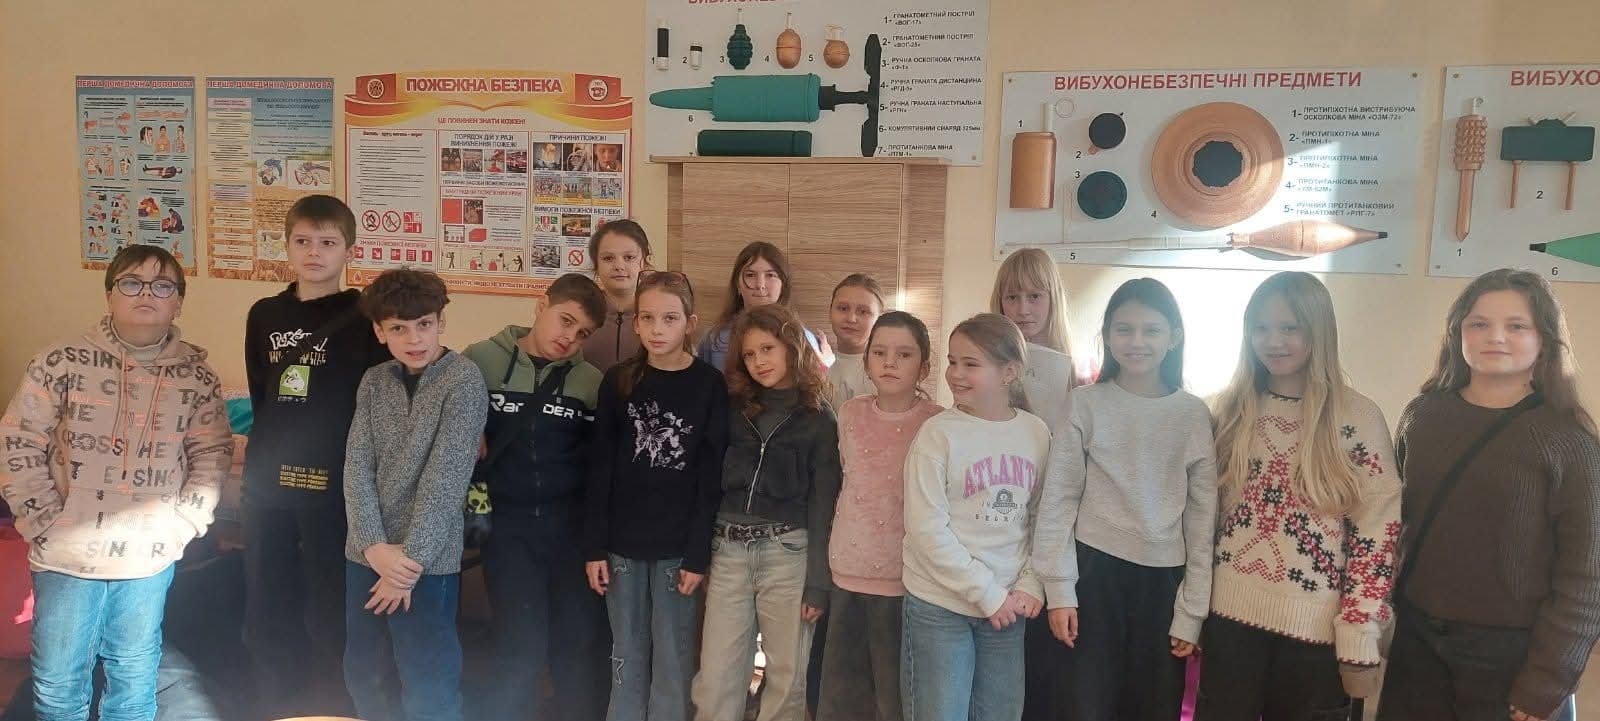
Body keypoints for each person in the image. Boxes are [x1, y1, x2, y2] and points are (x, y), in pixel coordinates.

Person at [0, 245, 233, 721]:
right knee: (59, 683)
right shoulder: (60, 361)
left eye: (162, 286)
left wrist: (183, 524)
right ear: (110, 295)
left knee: (134, 678)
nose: (146, 294)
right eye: (131, 283)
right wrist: (43, 520)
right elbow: (18, 440)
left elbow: (211, 454)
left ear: (178, 303)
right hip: (65, 554)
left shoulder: (196, 376)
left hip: (147, 556)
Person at [1377, 269, 1600, 721]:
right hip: (1417, 643)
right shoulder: (1422, 416)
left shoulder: (1568, 439)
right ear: (1457, 332)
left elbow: (1586, 573)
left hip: (1512, 655)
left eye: (1516, 325)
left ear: (1544, 338)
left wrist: (1548, 679)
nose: (1495, 336)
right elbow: (1394, 521)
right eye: (1478, 323)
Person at [1196, 272, 1399, 720]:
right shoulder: (1224, 411)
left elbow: (1377, 531)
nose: (1274, 341)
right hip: (1228, 622)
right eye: (1261, 328)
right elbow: (1201, 519)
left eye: (1290, 328)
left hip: (1318, 635)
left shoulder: (1358, 419)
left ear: (1319, 331)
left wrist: (1359, 626)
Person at [1031, 278, 1217, 721]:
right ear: (1108, 336)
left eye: (1151, 330)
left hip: (1163, 584)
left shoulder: (1193, 414)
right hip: (1092, 576)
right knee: (1083, 705)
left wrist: (1192, 612)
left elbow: (1201, 520)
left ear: (1174, 337)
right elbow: (1058, 500)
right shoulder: (1084, 404)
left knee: (1153, 706)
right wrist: (1059, 591)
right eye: (1124, 329)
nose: (1136, 341)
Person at [240, 195, 387, 720]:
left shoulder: (367, 316)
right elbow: (262, 394)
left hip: (335, 486)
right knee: (268, 603)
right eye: (302, 241)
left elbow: (384, 398)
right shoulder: (265, 315)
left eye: (327, 242)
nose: (314, 252)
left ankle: (333, 707)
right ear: (286, 246)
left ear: (349, 249)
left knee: (332, 607)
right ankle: (276, 706)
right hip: (267, 485)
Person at [463, 272, 611, 721]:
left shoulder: (589, 381)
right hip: (507, 530)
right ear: (540, 304)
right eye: (565, 321)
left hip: (570, 532)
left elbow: (599, 464)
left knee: (575, 647)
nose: (569, 338)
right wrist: (469, 428)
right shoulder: (480, 360)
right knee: (520, 647)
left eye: (582, 333)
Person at [342, 268, 487, 721]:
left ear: (441, 321)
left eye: (424, 324)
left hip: (426, 562)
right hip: (366, 555)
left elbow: (447, 480)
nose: (414, 338)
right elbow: (357, 465)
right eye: (399, 328)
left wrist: (405, 567)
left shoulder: (463, 380)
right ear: (379, 331)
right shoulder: (374, 381)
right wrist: (372, 546)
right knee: (364, 673)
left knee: (427, 682)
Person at [585, 271, 729, 721]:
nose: (657, 329)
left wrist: (697, 554)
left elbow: (710, 476)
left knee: (673, 655)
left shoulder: (709, 385)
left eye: (669, 318)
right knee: (626, 653)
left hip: (677, 551)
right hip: (620, 547)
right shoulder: (618, 380)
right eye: (646, 318)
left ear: (690, 323)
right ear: (635, 322)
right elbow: (600, 468)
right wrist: (594, 547)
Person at [691, 304, 841, 721]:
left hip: (788, 553)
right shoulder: (733, 407)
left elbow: (824, 503)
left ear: (791, 345)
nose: (758, 361)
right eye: (749, 354)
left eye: (767, 349)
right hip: (728, 550)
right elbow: (707, 482)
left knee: (786, 678)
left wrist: (818, 584)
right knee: (717, 676)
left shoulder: (819, 418)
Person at [899, 313, 1048, 721]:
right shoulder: (937, 433)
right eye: (952, 361)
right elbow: (926, 529)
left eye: (970, 364)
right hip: (941, 606)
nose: (955, 374)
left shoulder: (1036, 433)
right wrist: (986, 593)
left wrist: (1031, 582)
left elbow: (1041, 517)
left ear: (1009, 372)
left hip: (1009, 606)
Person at [816, 311, 941, 721]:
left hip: (905, 576)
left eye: (904, 354)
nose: (890, 362)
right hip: (847, 568)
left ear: (924, 367)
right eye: (880, 352)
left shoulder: (937, 422)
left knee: (894, 694)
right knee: (842, 693)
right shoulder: (849, 413)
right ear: (866, 361)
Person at [696, 242, 825, 372]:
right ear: (737, 285)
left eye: (770, 275)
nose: (760, 285)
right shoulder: (714, 339)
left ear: (783, 285)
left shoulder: (803, 338)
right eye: (750, 275)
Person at [583, 219, 650, 372]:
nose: (619, 266)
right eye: (608, 258)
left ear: (644, 262)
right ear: (596, 264)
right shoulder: (582, 311)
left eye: (629, 257)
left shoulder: (659, 312)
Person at [825, 274, 885, 409]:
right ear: (830, 312)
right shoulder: (815, 365)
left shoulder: (886, 370)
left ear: (879, 320)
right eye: (843, 308)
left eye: (863, 312)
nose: (851, 318)